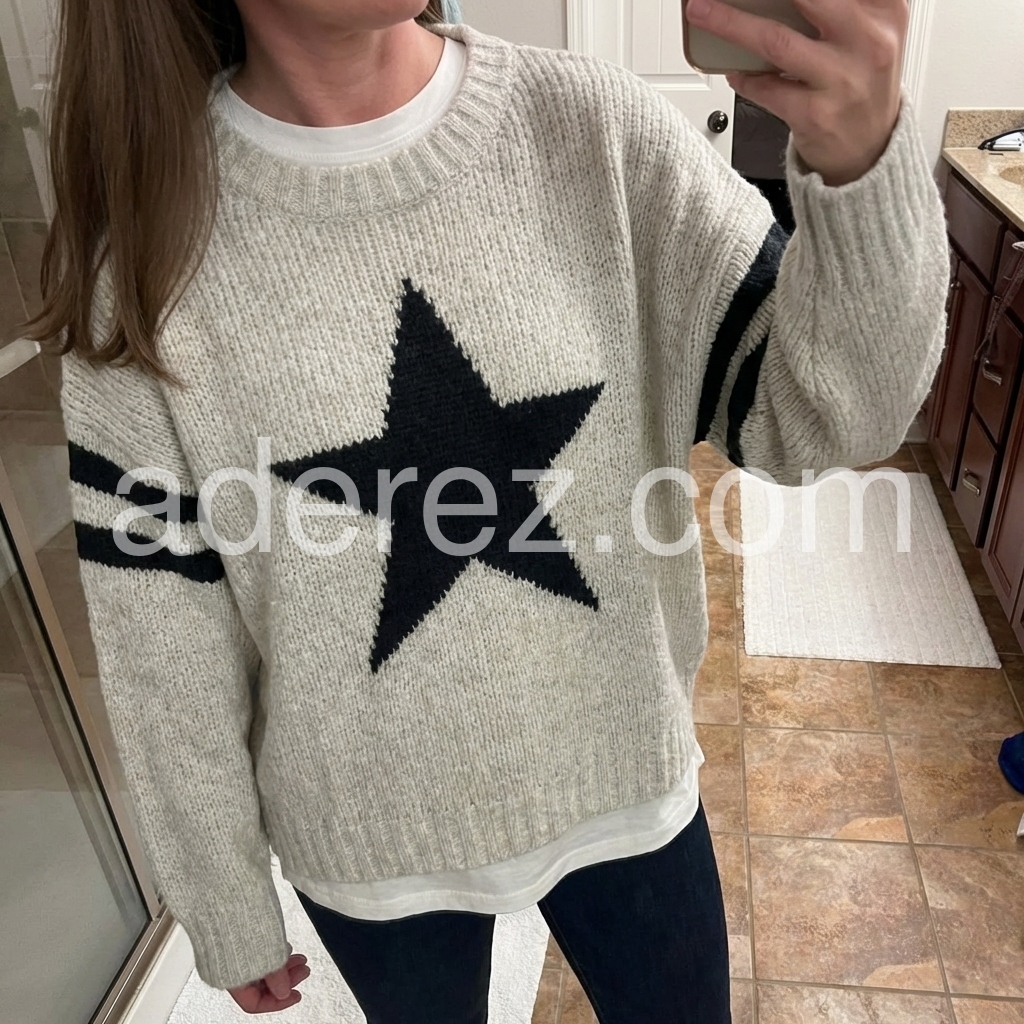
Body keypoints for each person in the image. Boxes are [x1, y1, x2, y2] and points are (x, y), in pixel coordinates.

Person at [26, 0, 948, 1019]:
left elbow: (822, 420)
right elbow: (163, 648)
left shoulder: (598, 132)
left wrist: (863, 168)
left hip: (624, 778)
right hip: (368, 844)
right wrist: (221, 897)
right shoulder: (146, 259)